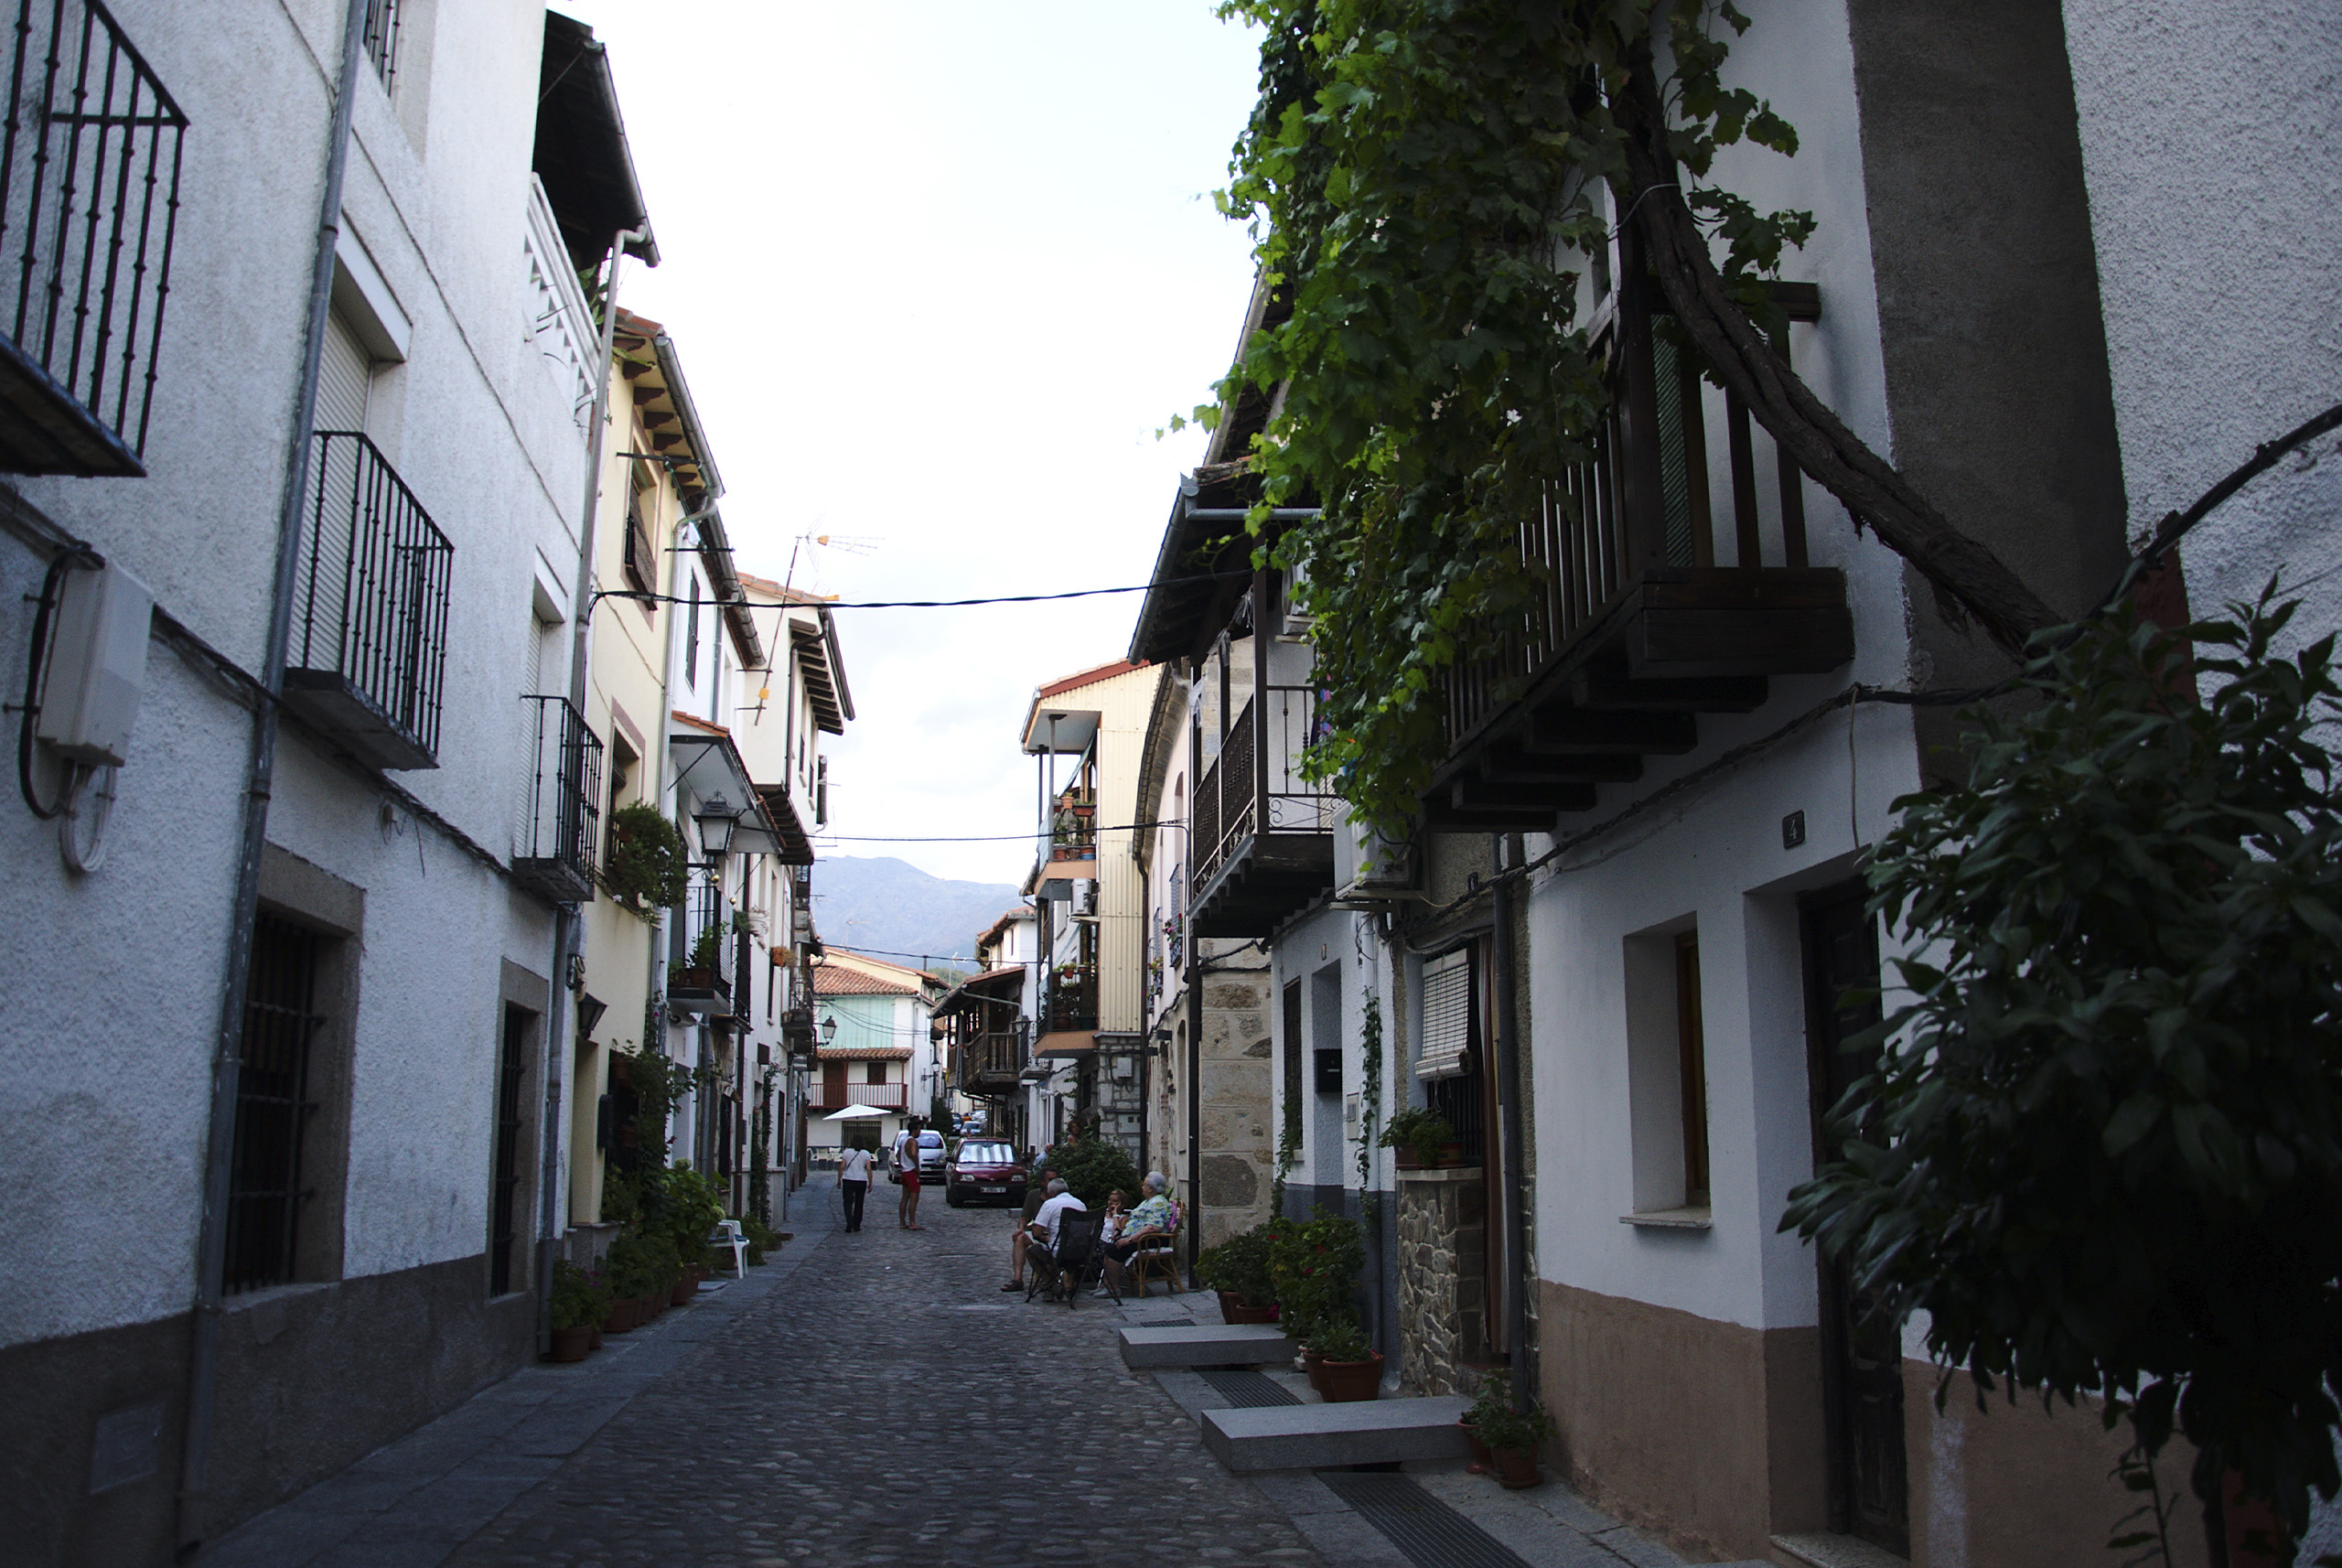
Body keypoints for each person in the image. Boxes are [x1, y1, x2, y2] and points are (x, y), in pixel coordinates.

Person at [1098, 1171, 1175, 1300]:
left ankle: (1113, 1288)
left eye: (1144, 1185)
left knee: (1117, 1250)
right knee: (1109, 1248)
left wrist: (1129, 1239)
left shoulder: (1158, 1203)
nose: (1142, 1188)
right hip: (1140, 1238)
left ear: (1151, 1188)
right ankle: (1106, 1285)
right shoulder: (1148, 1201)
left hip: (1151, 1239)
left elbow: (1153, 1227)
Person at [1022, 1177, 1087, 1286]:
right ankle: (1066, 1285)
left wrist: (1045, 1238)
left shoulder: (1050, 1204)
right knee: (1051, 1248)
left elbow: (1036, 1233)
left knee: (1032, 1251)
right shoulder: (1080, 1204)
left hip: (1061, 1253)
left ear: (1051, 1192)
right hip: (1082, 1251)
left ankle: (1051, 1284)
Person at [1002, 1165, 1058, 1291]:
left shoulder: (1060, 1199)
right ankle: (1017, 1279)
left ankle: (1050, 1282)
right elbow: (1024, 1217)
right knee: (1020, 1238)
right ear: (1042, 1182)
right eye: (1050, 1180)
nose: (1053, 1183)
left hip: (1054, 1239)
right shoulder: (1034, 1196)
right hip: (1039, 1237)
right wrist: (1021, 1228)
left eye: (1055, 1180)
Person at [892, 1119, 926, 1230]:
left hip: (904, 1171)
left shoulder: (903, 1141)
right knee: (914, 1197)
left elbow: (897, 1155)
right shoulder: (913, 1142)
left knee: (904, 1198)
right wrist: (917, 1166)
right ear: (914, 1130)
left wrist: (903, 1163)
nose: (920, 1132)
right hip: (911, 1171)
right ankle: (912, 1222)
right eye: (919, 1129)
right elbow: (913, 1153)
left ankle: (902, 1222)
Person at [836, 1142, 874, 1232]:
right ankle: (857, 1224)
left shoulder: (847, 1152)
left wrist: (839, 1180)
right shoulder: (866, 1153)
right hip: (861, 1180)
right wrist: (870, 1182)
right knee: (859, 1203)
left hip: (848, 1179)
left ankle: (849, 1221)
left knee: (847, 1203)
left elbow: (842, 1166)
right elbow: (868, 1169)